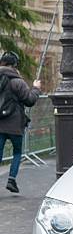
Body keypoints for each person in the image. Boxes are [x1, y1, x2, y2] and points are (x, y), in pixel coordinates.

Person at [0, 51, 41, 193]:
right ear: (14, 65)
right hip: (15, 125)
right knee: (17, 153)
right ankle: (11, 179)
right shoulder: (18, 81)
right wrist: (36, 88)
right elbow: (29, 100)